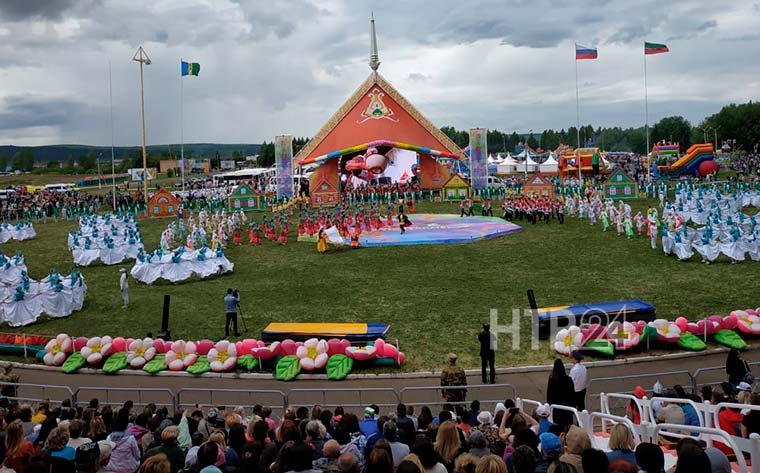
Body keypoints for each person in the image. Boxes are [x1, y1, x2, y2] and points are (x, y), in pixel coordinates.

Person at [546, 359, 575, 428]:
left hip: (556, 409)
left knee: (558, 428)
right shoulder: (569, 379)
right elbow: (572, 395)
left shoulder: (552, 380)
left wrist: (550, 406)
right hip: (568, 409)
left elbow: (549, 394)